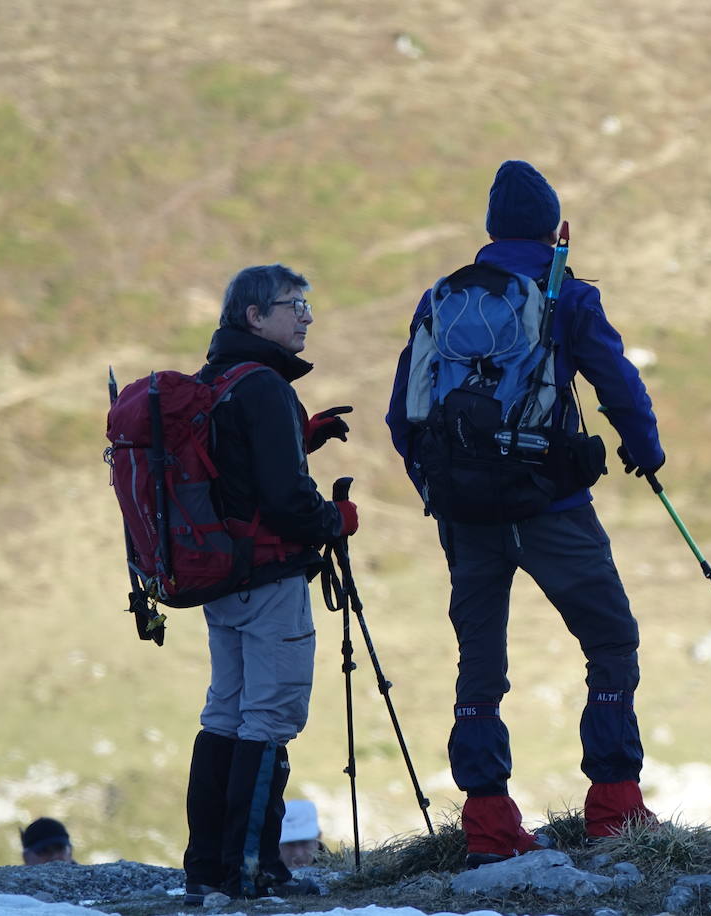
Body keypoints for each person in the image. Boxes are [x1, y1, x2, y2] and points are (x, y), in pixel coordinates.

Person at [387, 160, 666, 865]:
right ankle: (613, 809)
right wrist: (645, 450)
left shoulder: (441, 299)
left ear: (489, 230)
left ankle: (488, 825)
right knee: (609, 641)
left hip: (464, 513)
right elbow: (616, 381)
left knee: (479, 663)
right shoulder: (565, 294)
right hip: (554, 505)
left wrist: (438, 484)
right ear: (553, 228)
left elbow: (402, 413)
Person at [182, 264, 358, 904]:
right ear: (255, 317)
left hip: (221, 579)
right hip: (268, 577)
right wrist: (335, 519)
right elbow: (285, 501)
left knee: (225, 712)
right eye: (295, 305)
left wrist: (301, 437)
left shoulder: (218, 379)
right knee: (269, 716)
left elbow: (235, 473)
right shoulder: (265, 388)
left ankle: (209, 865)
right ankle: (254, 867)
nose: (306, 315)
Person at [278, 799, 323, 870]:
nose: (298, 853)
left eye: (304, 843)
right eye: (289, 844)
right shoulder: (258, 877)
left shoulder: (342, 876)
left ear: (319, 837)